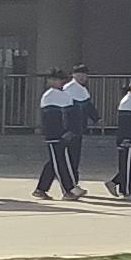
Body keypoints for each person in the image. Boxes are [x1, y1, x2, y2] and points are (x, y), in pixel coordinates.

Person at [35, 67, 89, 200]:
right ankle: (68, 190)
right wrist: (59, 133)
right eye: (58, 80)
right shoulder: (48, 96)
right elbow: (50, 120)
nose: (60, 83)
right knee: (59, 163)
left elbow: (71, 116)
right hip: (54, 136)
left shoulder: (65, 95)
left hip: (65, 134)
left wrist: (71, 130)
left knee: (57, 162)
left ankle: (41, 189)